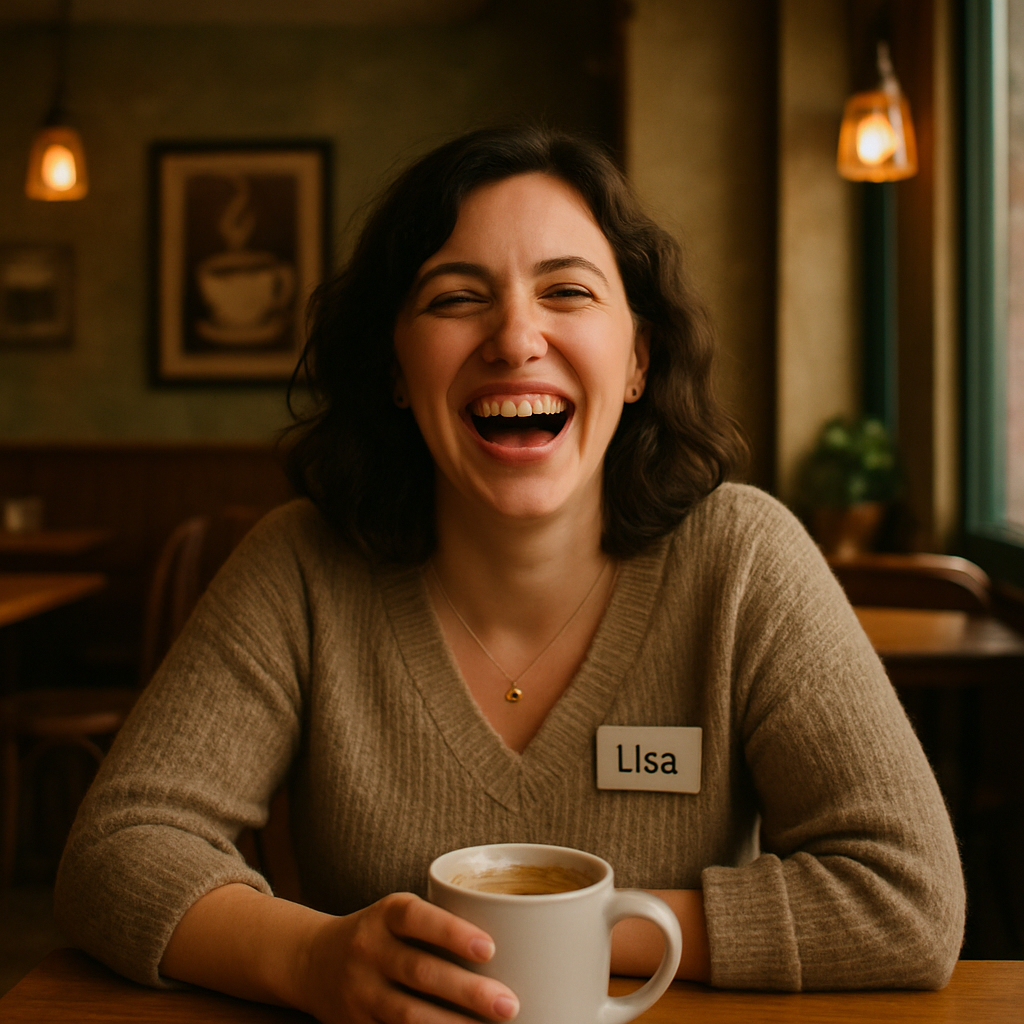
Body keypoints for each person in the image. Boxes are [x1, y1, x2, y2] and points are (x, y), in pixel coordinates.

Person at [55, 125, 964, 1023]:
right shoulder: (302, 565)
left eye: (567, 290)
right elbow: (116, 853)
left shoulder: (744, 561)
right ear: (397, 370)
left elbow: (908, 899)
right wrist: (309, 957)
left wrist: (581, 937)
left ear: (638, 358)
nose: (515, 337)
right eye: (456, 299)